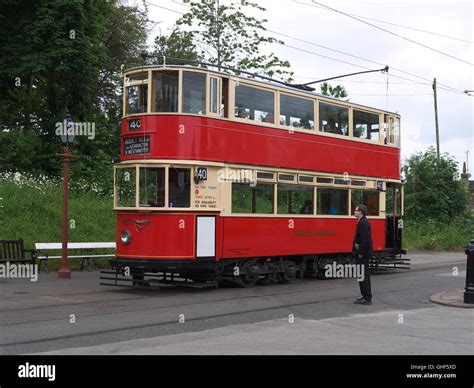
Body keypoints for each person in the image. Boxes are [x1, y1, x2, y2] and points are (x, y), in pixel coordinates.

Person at [352, 204, 373, 305]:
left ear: (360, 211)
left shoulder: (363, 223)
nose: (354, 211)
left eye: (355, 210)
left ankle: (367, 298)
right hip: (362, 253)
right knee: (362, 275)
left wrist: (360, 251)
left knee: (363, 275)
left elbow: (366, 241)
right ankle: (365, 296)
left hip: (362, 254)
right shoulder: (362, 222)